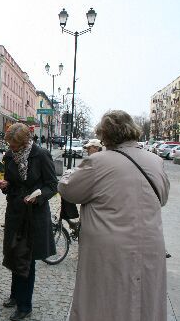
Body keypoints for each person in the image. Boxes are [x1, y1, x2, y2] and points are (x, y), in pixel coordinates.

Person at [58, 110, 170, 321]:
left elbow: (69, 190)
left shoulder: (98, 162)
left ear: (105, 135)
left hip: (109, 249)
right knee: (145, 302)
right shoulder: (156, 161)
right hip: (149, 244)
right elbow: (162, 198)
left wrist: (68, 173)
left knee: (105, 302)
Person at [0, 123, 57, 321]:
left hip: (34, 215)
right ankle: (15, 295)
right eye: (9, 145)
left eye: (14, 145)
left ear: (24, 142)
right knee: (14, 253)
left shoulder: (41, 155)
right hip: (15, 212)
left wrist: (37, 197)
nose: (11, 148)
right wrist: (5, 185)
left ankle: (25, 305)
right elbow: (12, 182)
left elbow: (52, 186)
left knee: (26, 260)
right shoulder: (9, 155)